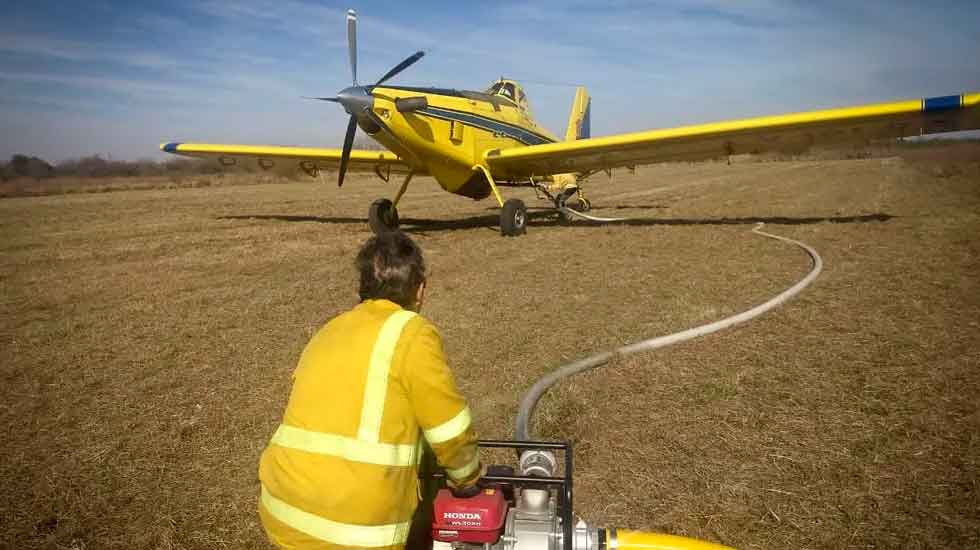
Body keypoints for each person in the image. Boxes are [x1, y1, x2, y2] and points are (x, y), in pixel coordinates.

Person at [258, 231, 481, 549]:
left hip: (281, 510)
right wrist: (468, 479)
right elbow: (449, 429)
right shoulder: (412, 333)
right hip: (353, 528)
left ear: (362, 287)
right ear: (420, 290)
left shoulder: (329, 330)